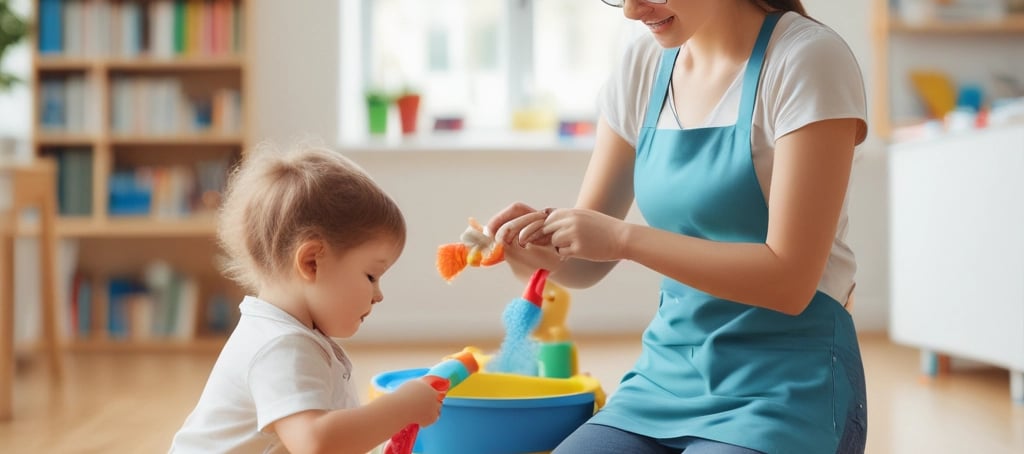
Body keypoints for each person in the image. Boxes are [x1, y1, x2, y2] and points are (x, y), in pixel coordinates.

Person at [486, 1, 868, 453]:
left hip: (789, 383)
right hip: (665, 378)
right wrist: (536, 251)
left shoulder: (806, 59)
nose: (631, 11)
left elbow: (790, 281)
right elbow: (586, 264)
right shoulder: (643, 65)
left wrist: (624, 240)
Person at [169, 143, 442, 454]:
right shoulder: (280, 346)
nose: (378, 295)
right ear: (312, 261)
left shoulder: (295, 337)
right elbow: (316, 443)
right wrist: (402, 408)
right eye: (371, 276)